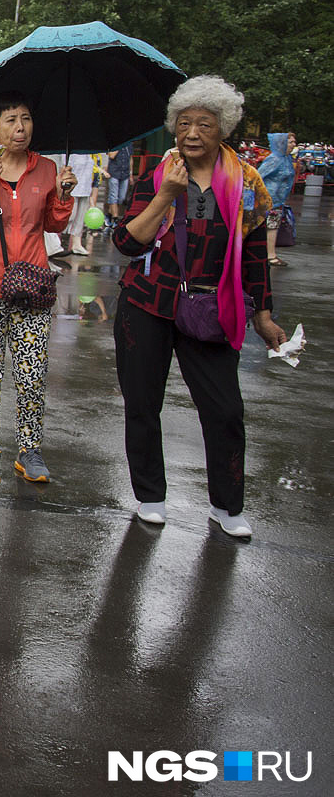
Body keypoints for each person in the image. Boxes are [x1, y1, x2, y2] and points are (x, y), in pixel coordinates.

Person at [112, 76, 284, 539]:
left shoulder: (246, 181)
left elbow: (253, 254)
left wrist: (264, 315)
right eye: (183, 123)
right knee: (142, 404)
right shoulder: (158, 172)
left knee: (225, 409)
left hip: (211, 307)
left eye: (204, 125)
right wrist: (167, 193)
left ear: (222, 129)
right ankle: (151, 496)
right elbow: (127, 242)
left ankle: (227, 506)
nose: (191, 133)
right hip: (148, 302)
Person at [0, 90, 76, 484]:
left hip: (34, 283)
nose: (20, 128)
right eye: (10, 120)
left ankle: (30, 450)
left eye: (25, 119)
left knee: (32, 372)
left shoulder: (48, 169)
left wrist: (65, 196)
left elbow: (53, 225)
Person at [258, 132, 296, 267]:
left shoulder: (286, 159)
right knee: (270, 227)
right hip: (269, 199)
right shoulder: (274, 159)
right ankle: (270, 255)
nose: (294, 145)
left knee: (273, 226)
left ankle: (270, 254)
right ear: (282, 143)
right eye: (291, 142)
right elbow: (258, 176)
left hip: (278, 200)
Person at [61, 151, 95, 255]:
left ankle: (77, 243)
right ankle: (56, 242)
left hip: (85, 188)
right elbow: (63, 166)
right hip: (72, 188)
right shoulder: (70, 151)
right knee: (70, 215)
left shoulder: (89, 154)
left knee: (80, 217)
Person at [106, 142, 135, 228]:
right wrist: (119, 146)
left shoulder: (129, 144)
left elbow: (130, 159)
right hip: (114, 172)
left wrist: (131, 174)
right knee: (113, 196)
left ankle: (109, 215)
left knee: (121, 198)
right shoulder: (114, 144)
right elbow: (111, 155)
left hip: (125, 173)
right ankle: (115, 219)